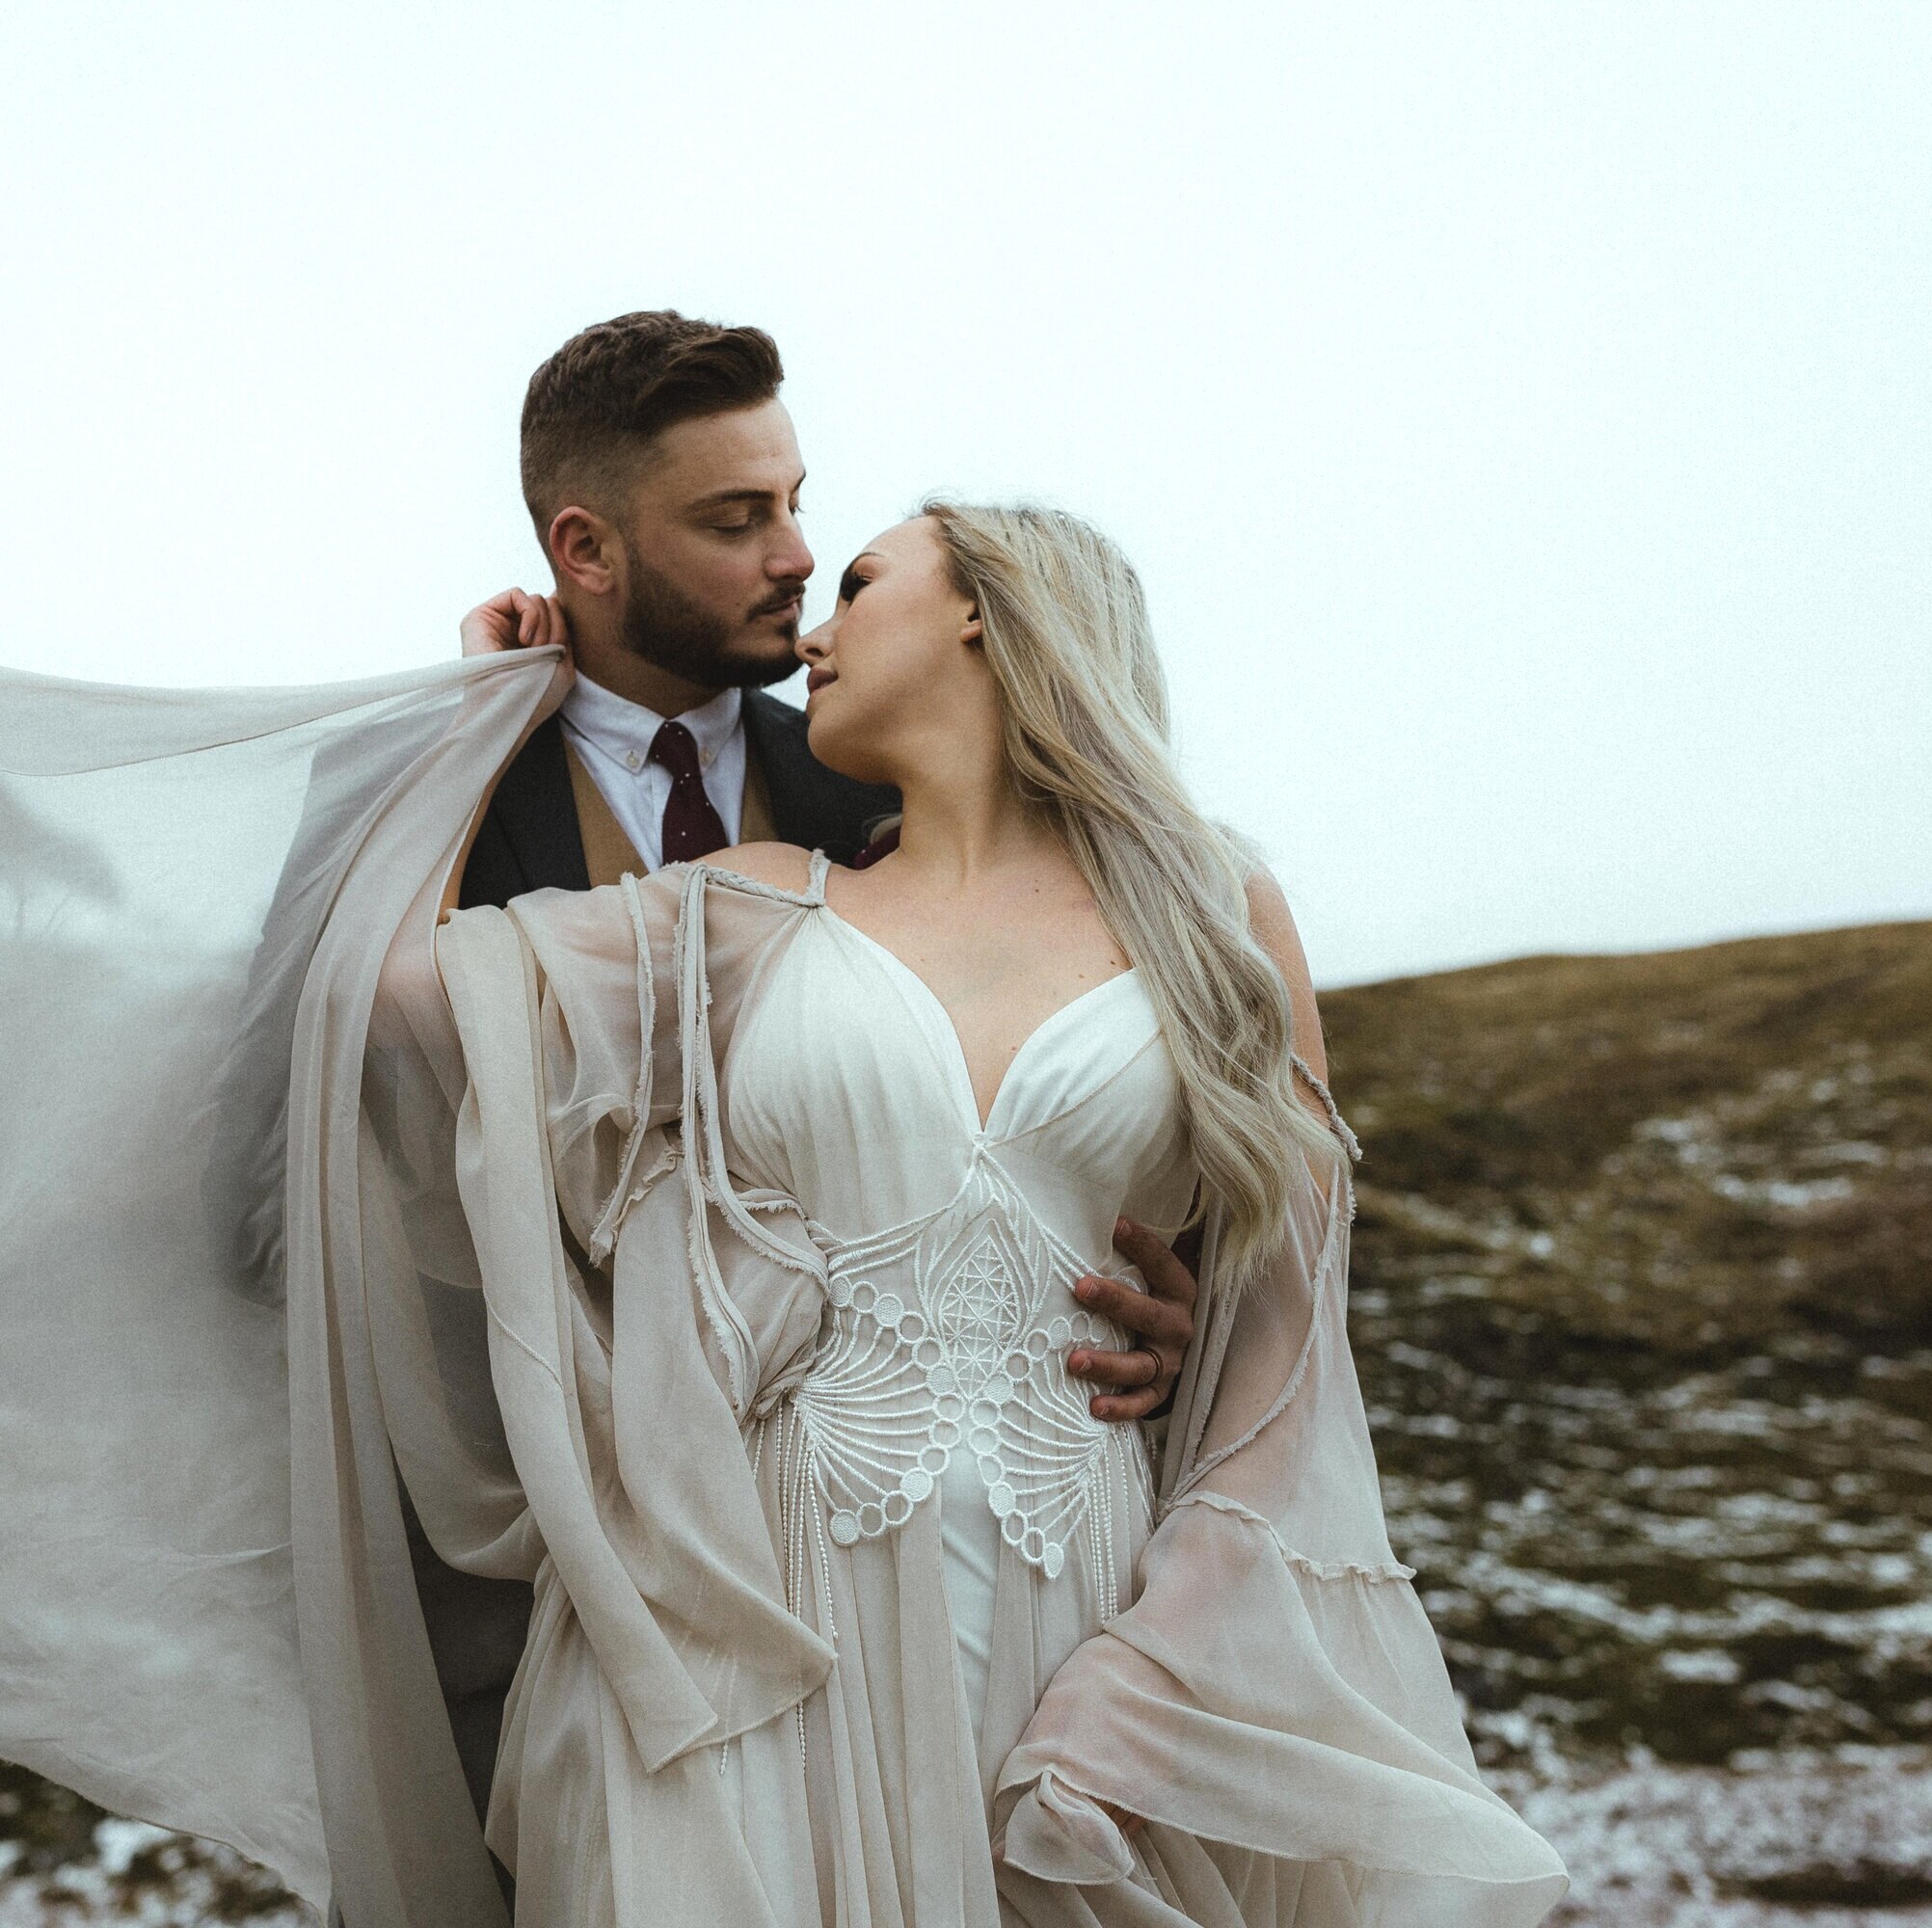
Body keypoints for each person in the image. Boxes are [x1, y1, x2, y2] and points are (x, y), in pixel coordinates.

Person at [398, 497, 1570, 1922]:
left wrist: (1166, 1663)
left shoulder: (1213, 914)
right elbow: (413, 1004)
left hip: (1075, 1616)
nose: (811, 634)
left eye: (860, 581)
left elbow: (1287, 1342)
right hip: (756, 1624)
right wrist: (480, 714)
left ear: (982, 607)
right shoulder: (739, 909)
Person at [415, 312, 1211, 1883]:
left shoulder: (891, 779)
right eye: (736, 520)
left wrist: (1194, 1307)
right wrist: (452, 747)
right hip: (538, 1569)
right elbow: (345, 1104)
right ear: (583, 547)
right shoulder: (435, 793)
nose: (796, 554)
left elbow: (1118, 1100)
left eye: (798, 504)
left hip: (1000, 1563)